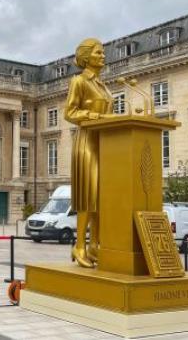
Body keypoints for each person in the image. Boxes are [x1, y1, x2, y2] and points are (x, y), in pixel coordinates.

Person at [64, 38, 114, 268]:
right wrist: (96, 118)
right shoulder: (79, 81)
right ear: (86, 57)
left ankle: (95, 245)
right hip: (86, 143)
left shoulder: (103, 85)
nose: (103, 56)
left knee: (101, 199)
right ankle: (80, 245)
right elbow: (70, 112)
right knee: (87, 196)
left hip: (106, 144)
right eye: (98, 52)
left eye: (103, 52)